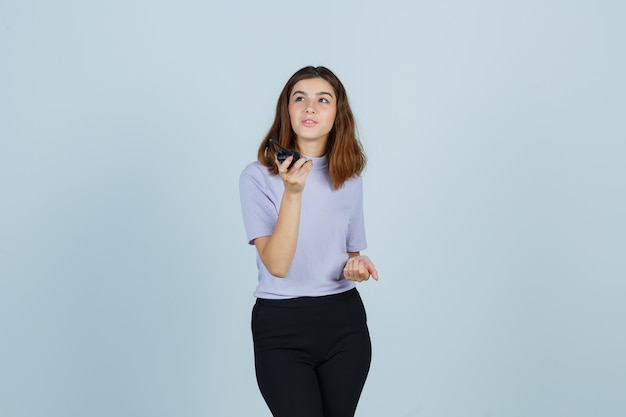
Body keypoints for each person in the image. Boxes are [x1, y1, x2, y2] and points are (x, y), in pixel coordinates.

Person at [239, 65, 378, 417]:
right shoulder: (257, 177)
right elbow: (278, 265)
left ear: (337, 113)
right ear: (287, 109)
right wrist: (293, 192)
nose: (310, 107)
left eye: (322, 99)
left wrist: (357, 268)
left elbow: (350, 257)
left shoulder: (350, 177)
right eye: (299, 98)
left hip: (343, 322)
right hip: (281, 327)